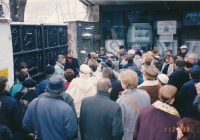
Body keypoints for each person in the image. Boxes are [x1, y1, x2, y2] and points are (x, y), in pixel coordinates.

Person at [22, 75, 77, 140]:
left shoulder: (35, 102)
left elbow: (26, 125)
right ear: (61, 90)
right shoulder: (66, 108)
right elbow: (71, 133)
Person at [116, 69, 151, 140]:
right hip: (143, 133)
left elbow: (119, 125)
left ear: (125, 84)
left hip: (129, 135)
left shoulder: (121, 101)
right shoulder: (145, 94)